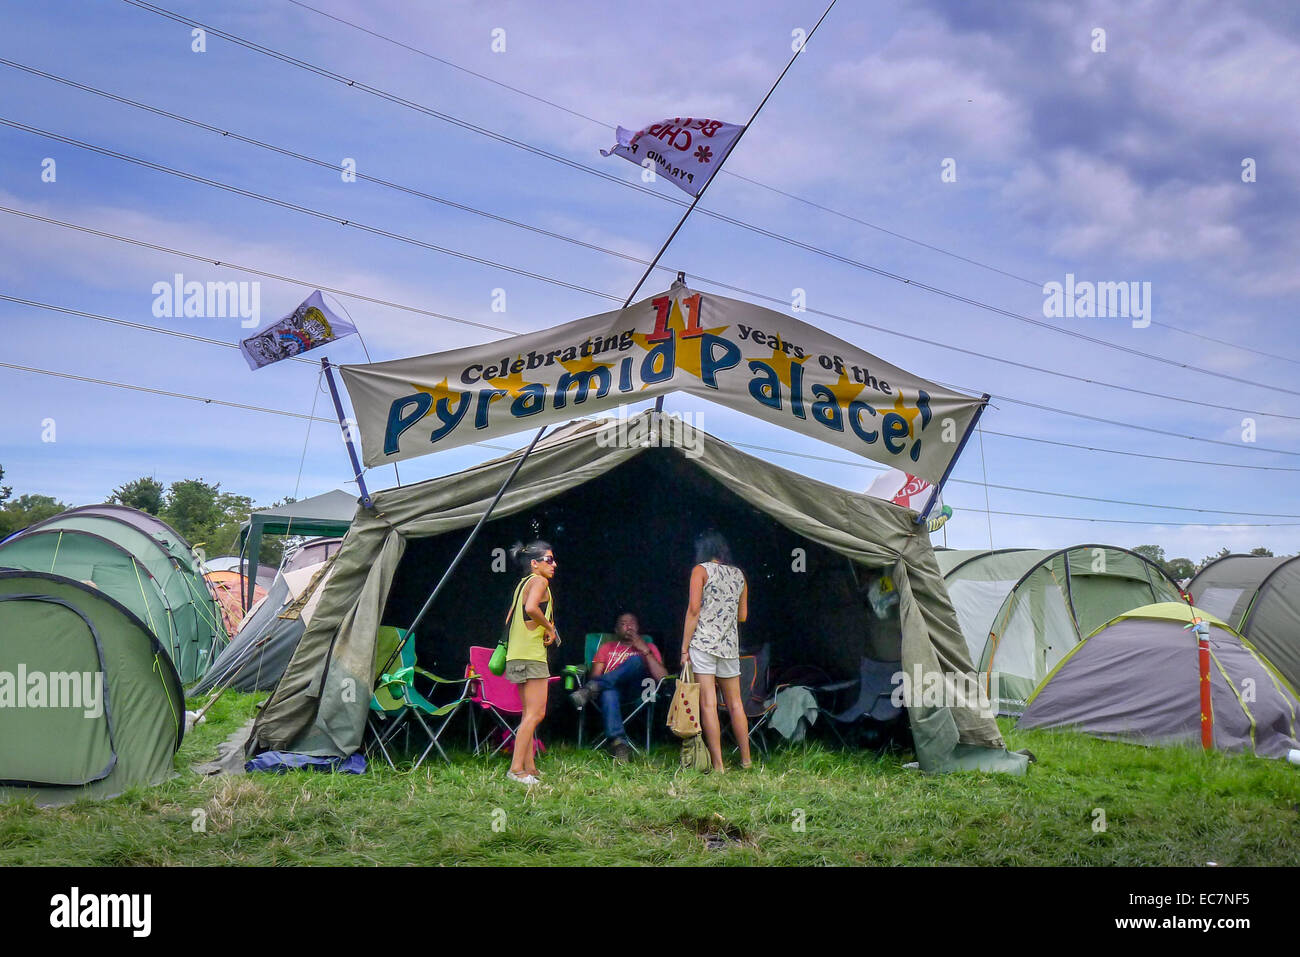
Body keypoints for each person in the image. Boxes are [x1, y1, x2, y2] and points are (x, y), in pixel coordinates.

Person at [680, 530, 750, 772]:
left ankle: (719, 765)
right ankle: (746, 761)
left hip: (703, 645)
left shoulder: (700, 571)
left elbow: (693, 610)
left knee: (709, 705)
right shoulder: (739, 574)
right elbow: (743, 616)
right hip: (729, 646)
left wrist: (684, 647)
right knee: (736, 704)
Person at [569, 612, 667, 762]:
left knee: (636, 661)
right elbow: (595, 676)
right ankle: (619, 745)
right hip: (610, 693)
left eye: (632, 623)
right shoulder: (606, 647)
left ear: (638, 627)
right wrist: (606, 682)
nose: (628, 626)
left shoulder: (649, 647)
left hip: (636, 693)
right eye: (623, 623)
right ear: (616, 630)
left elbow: (662, 678)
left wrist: (645, 650)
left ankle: (590, 689)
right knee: (609, 692)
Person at [503, 540, 560, 785]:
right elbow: (531, 608)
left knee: (528, 713)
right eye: (548, 560)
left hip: (516, 654)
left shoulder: (522, 584)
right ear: (534, 564)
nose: (554, 564)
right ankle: (516, 770)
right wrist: (550, 628)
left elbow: (510, 617)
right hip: (531, 655)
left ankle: (529, 766)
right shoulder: (539, 581)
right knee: (536, 713)